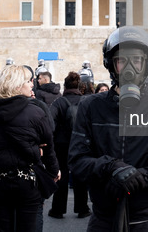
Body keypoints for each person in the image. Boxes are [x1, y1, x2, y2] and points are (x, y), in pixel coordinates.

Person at [68, 27, 148, 231]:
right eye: (122, 60)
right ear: (111, 64)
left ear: (146, 65)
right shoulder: (90, 106)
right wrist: (111, 167)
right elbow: (76, 160)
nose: (129, 68)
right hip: (104, 219)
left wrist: (143, 177)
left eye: (136, 60)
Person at [0, 64, 59, 232]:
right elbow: (49, 146)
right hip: (26, 180)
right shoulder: (35, 112)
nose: (32, 85)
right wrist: (53, 171)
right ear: (17, 85)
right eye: (28, 81)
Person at [48, 72, 91, 219]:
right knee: (80, 175)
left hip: (62, 144)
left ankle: (58, 210)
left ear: (65, 86)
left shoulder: (59, 102)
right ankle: (82, 208)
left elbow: (50, 123)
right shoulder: (86, 101)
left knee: (62, 176)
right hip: (81, 143)